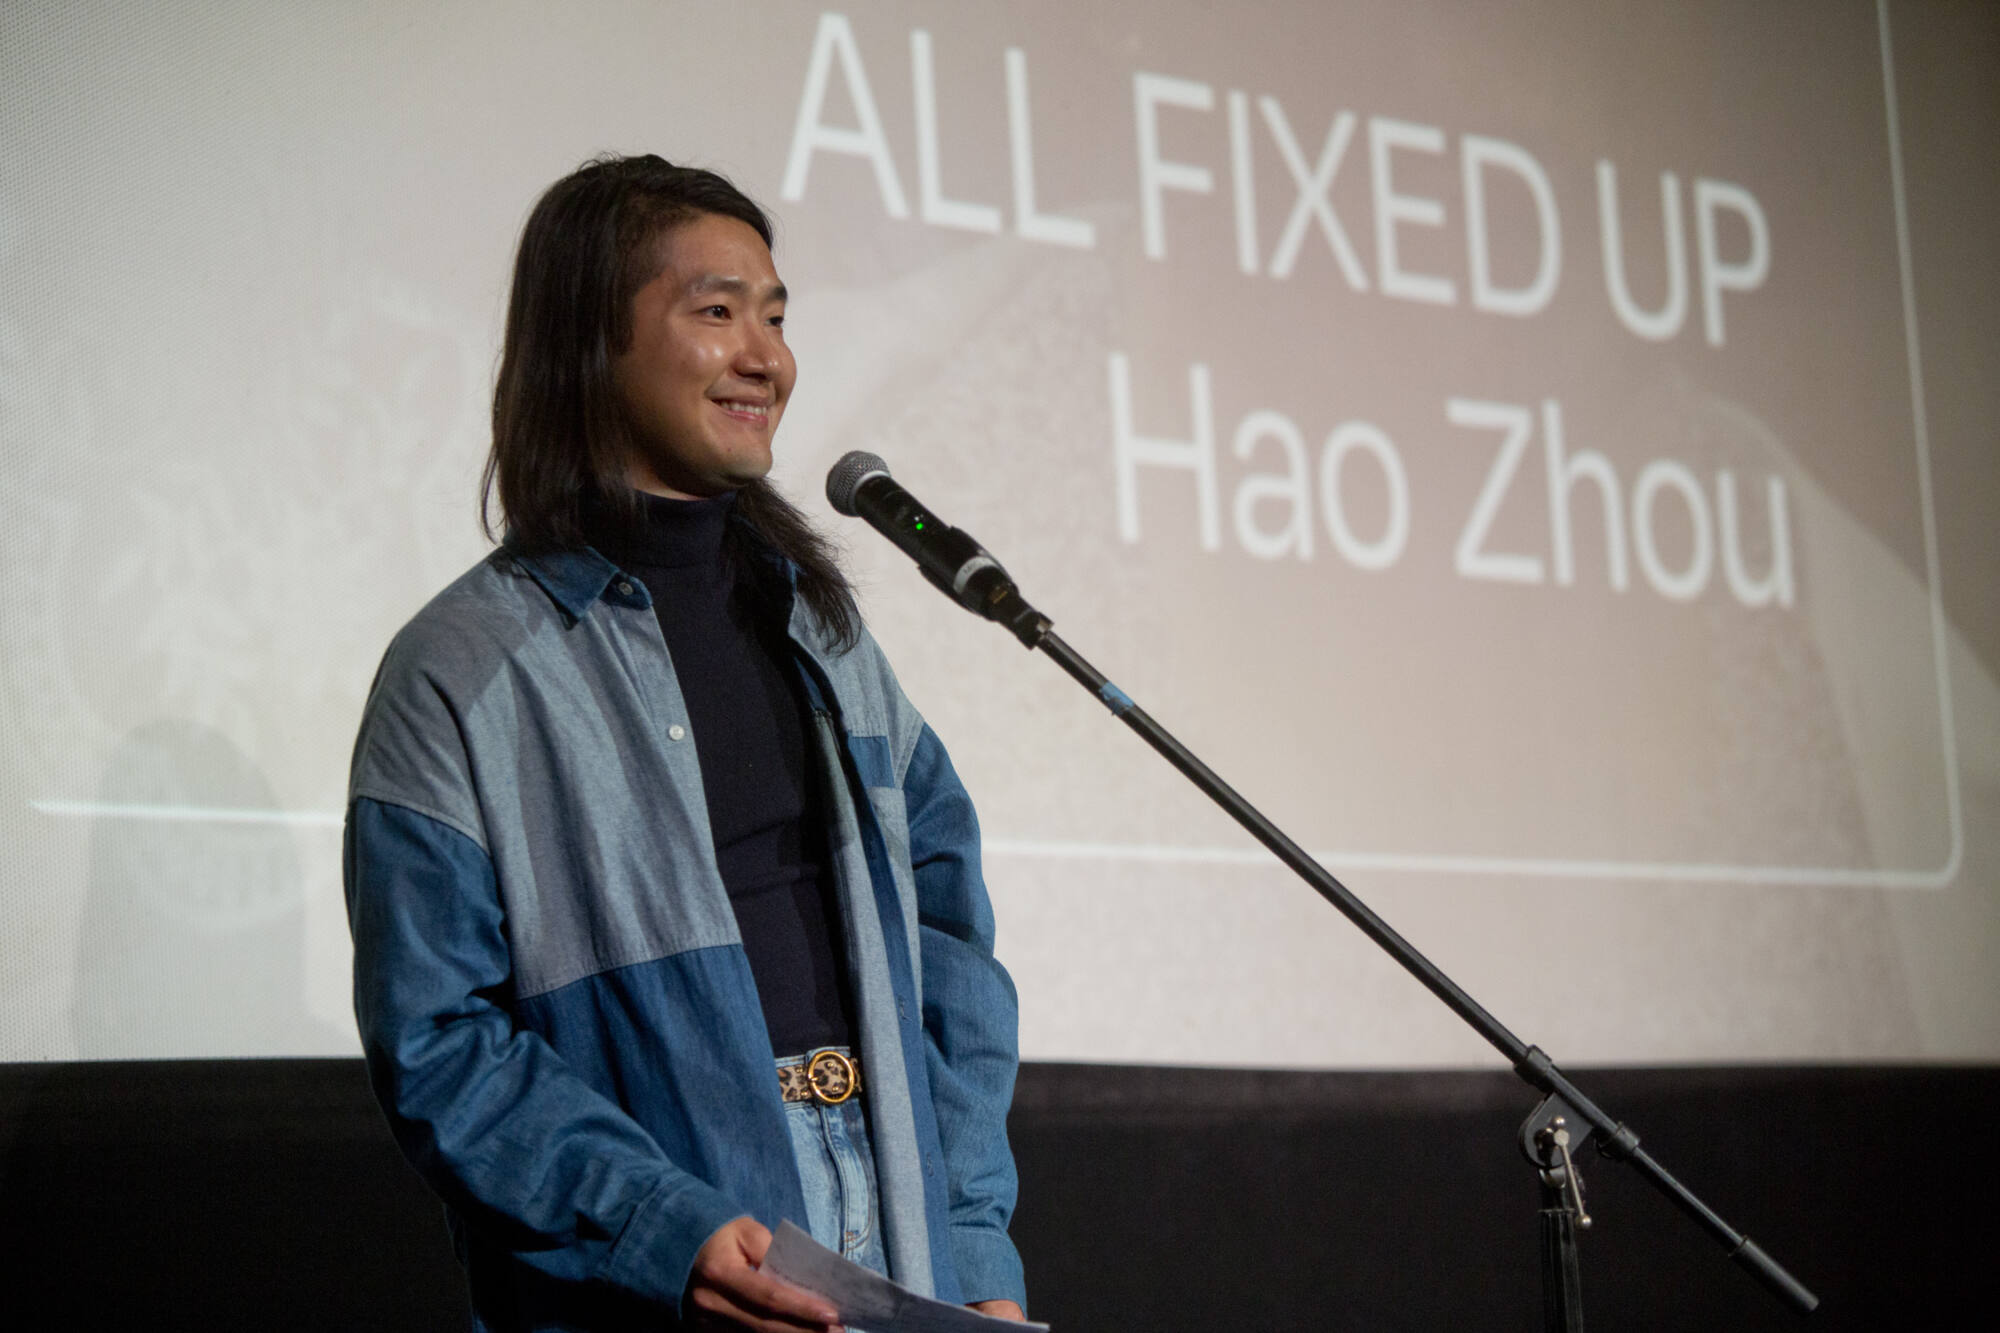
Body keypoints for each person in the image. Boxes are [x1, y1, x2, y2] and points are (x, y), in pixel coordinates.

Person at [344, 154, 1028, 1331]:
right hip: (677, 1243)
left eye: (776, 317)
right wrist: (659, 1225)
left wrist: (971, 1245)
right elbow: (439, 1039)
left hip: (898, 1217)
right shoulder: (460, 668)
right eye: (716, 312)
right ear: (588, 342)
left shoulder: (820, 630)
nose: (765, 357)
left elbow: (948, 940)